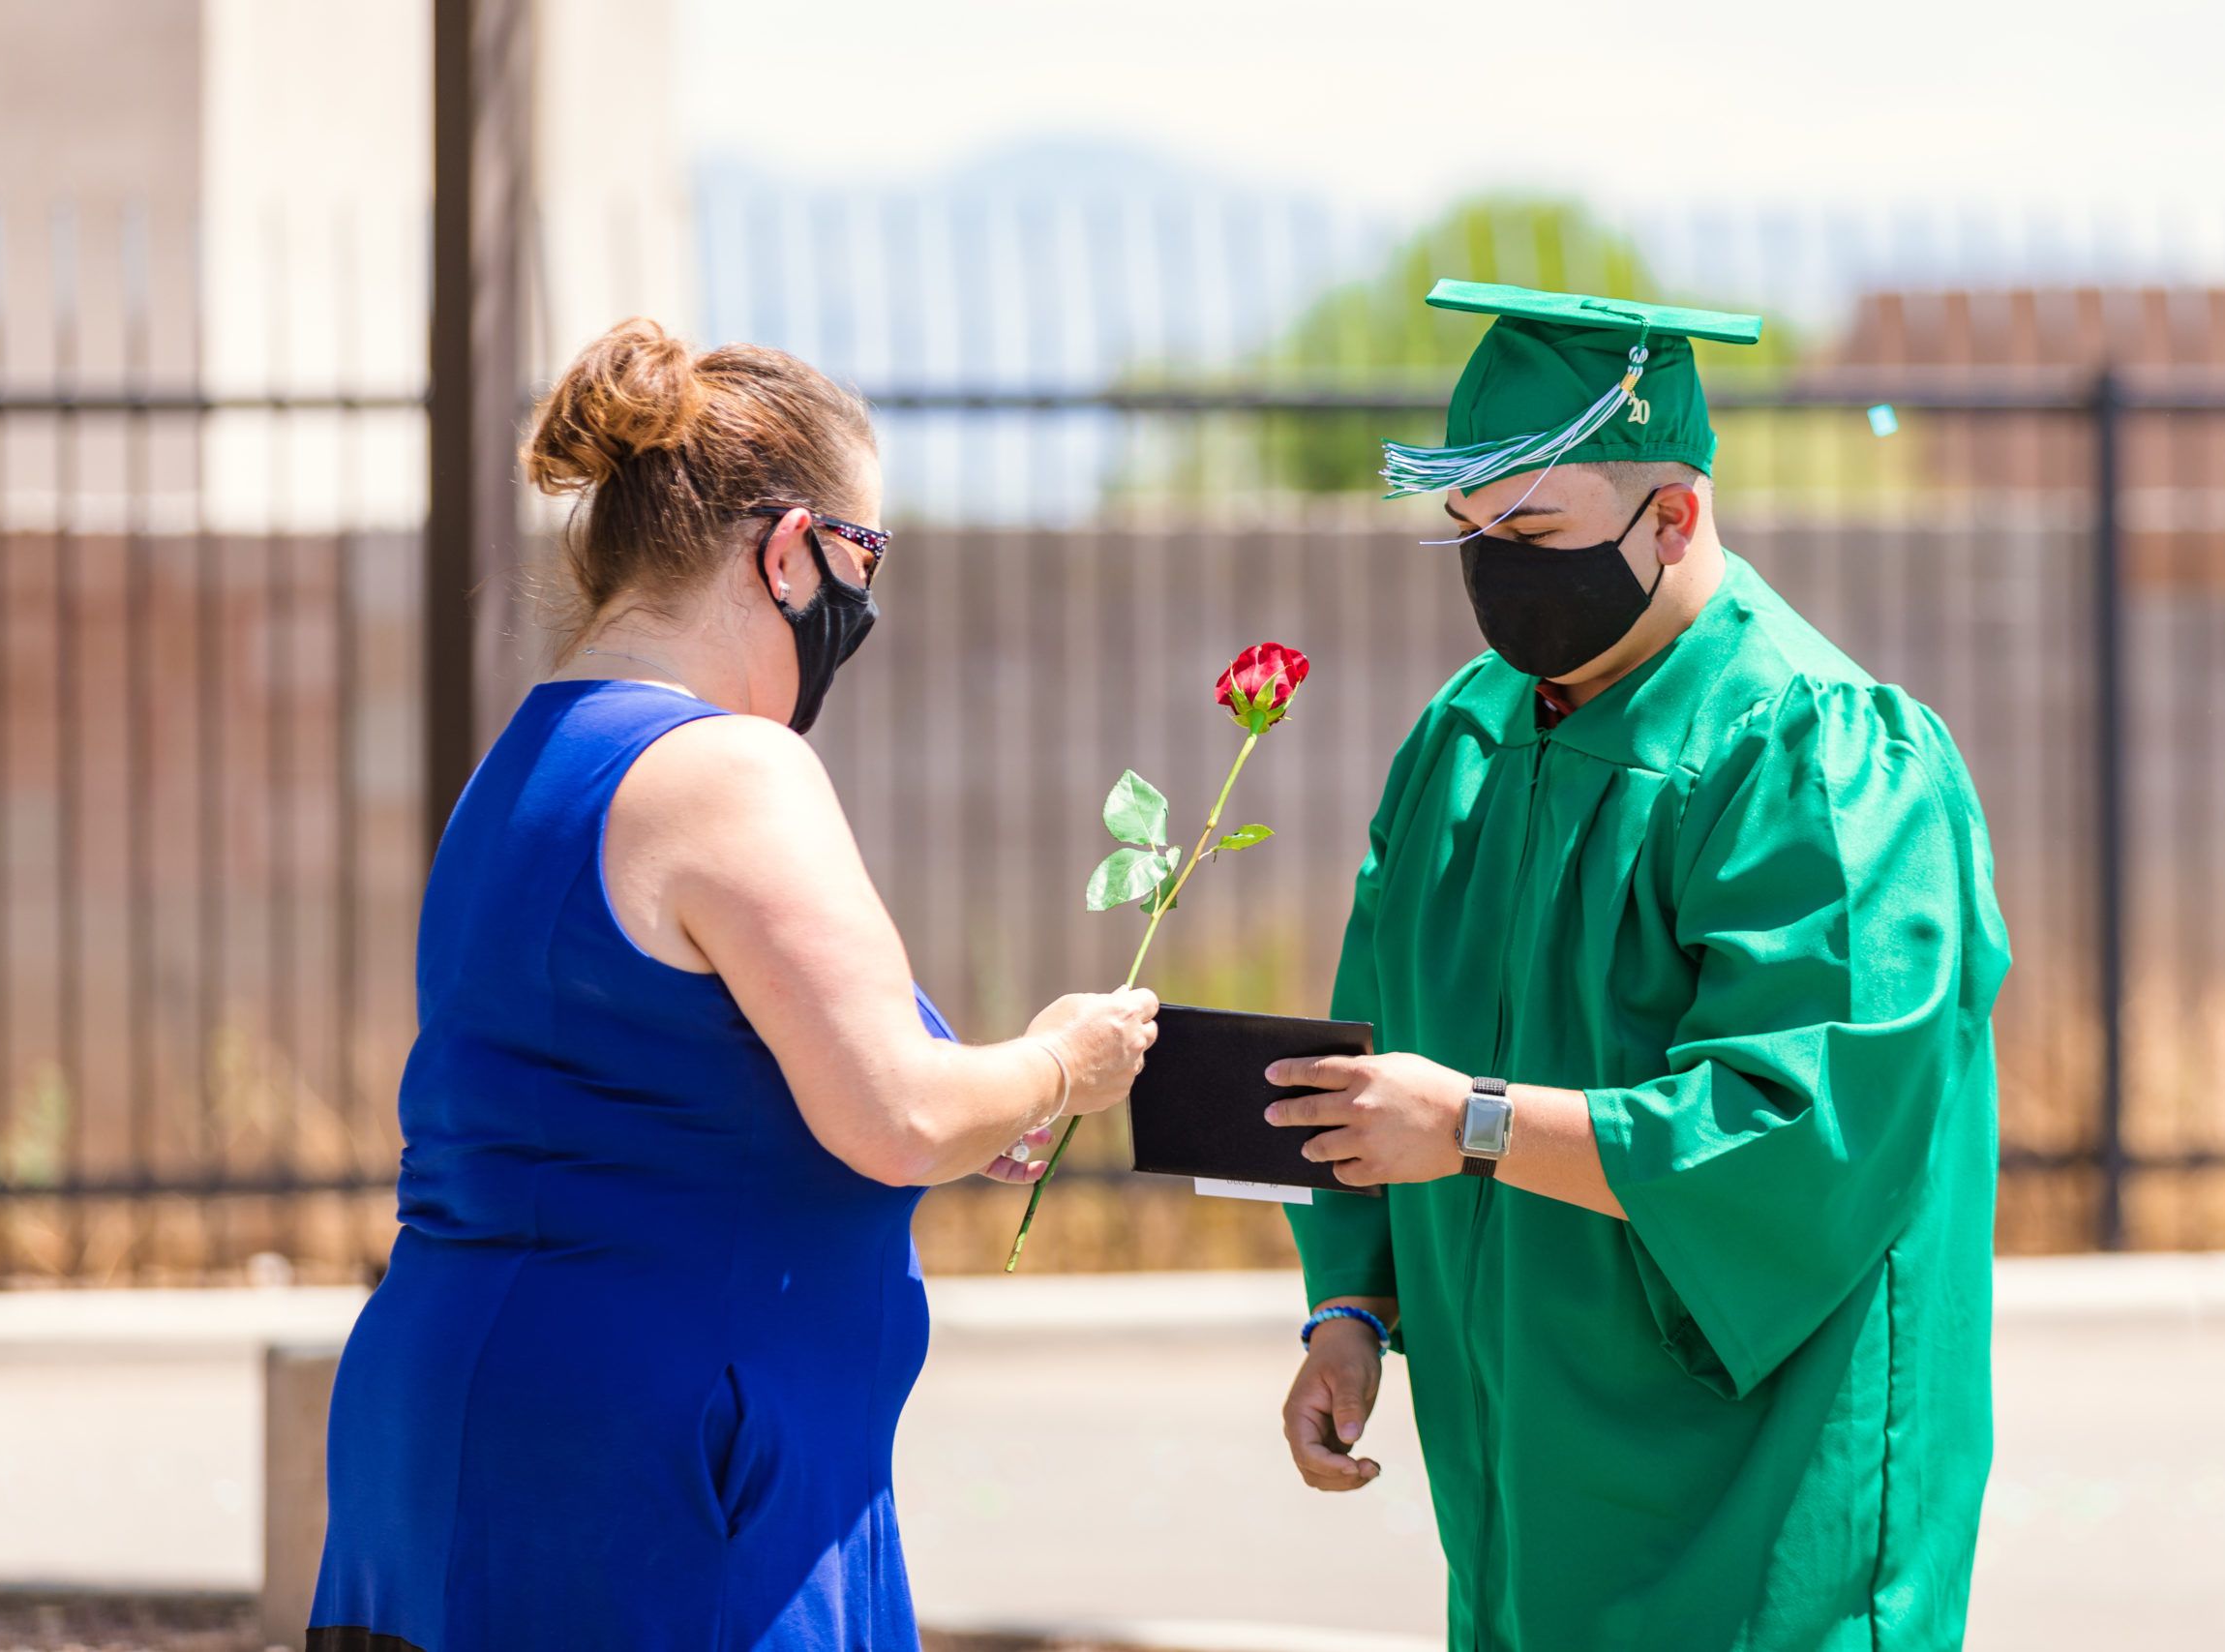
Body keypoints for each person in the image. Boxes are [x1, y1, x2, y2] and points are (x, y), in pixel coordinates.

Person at [308, 318, 1158, 1652]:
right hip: (657, 1467)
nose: (865, 600)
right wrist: (1064, 1060)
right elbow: (898, 1117)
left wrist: (983, 1103)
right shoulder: (732, 772)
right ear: (788, 550)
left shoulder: (522, 764)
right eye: (865, 554)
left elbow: (659, 1088)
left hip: (453, 1434)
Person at [1267, 282, 2011, 1652]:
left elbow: (1803, 1130)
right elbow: (1372, 1048)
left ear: (1673, 516)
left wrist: (1474, 1125)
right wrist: (1351, 1304)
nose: (1499, 571)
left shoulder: (1821, 756)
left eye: (1535, 530)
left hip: (1757, 1484)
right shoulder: (1467, 742)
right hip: (1517, 1472)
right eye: (1471, 536)